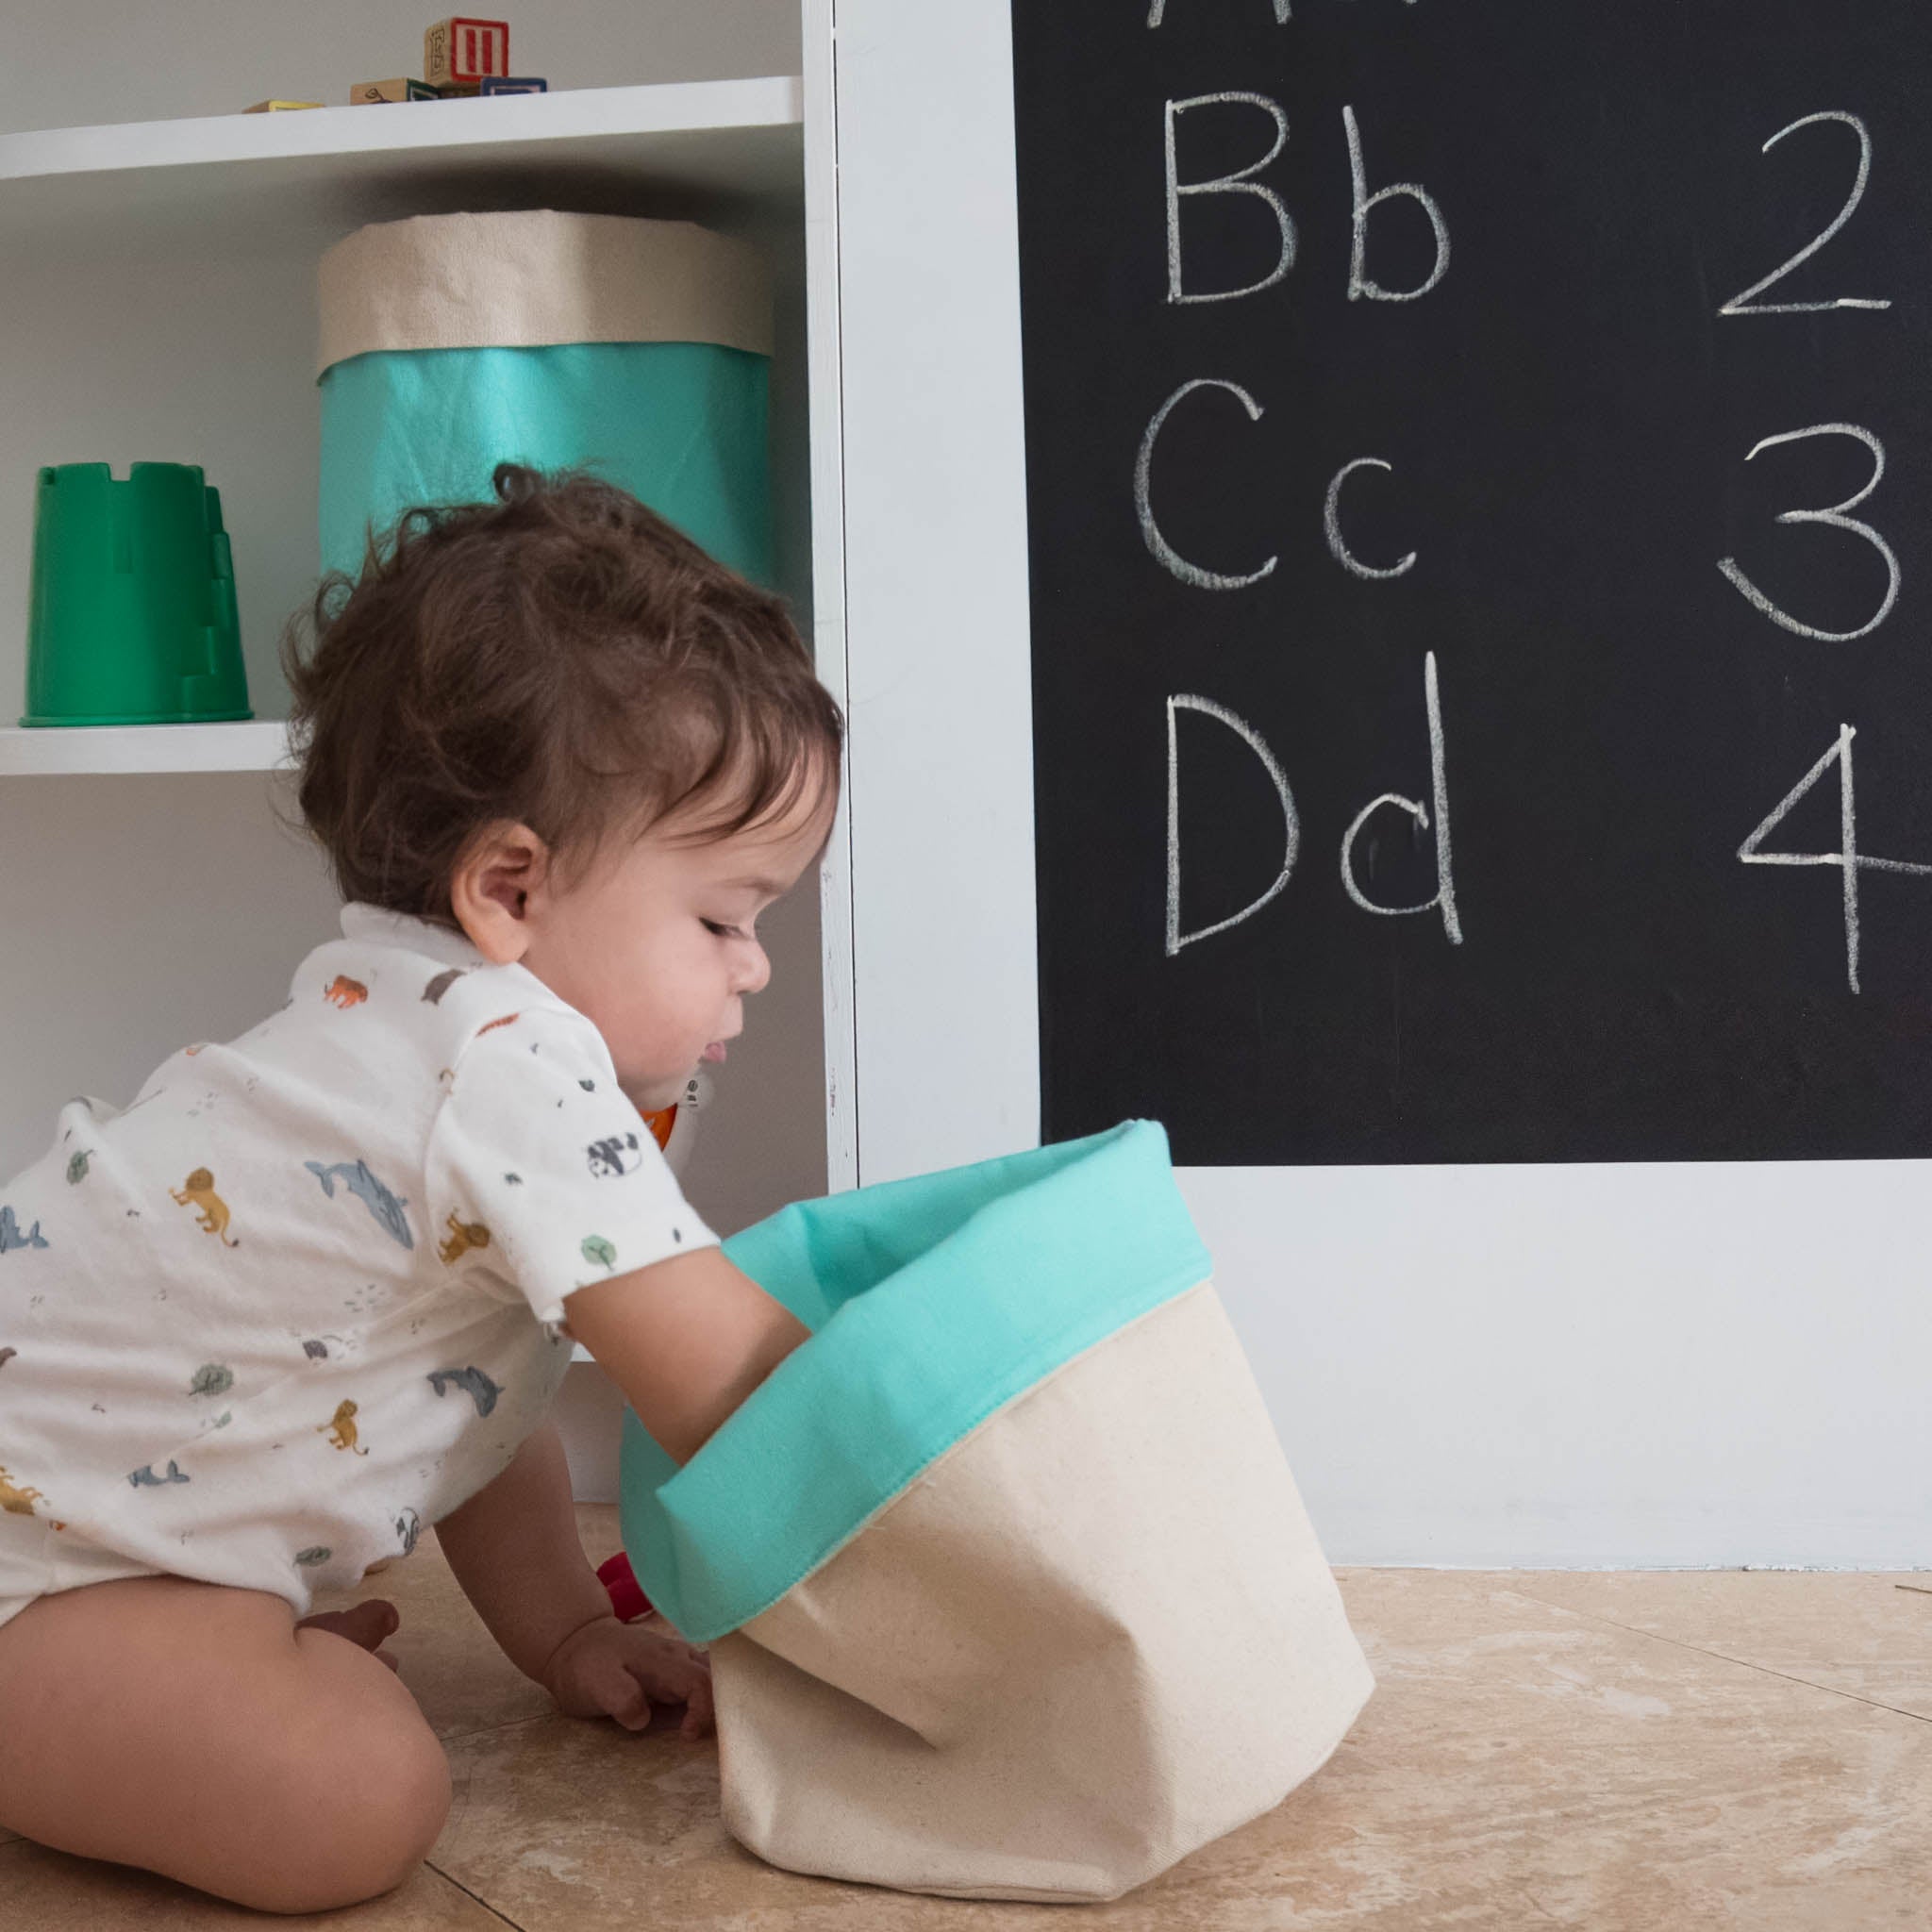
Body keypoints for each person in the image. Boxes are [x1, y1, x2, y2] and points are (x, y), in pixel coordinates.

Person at [0, 463, 843, 1912]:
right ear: (509, 891)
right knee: (356, 1797)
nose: (754, 966)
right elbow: (732, 1386)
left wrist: (569, 1631)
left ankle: (137, 1692)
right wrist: (945, 1446)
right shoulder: (509, 1060)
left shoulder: (390, 1016)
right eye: (723, 916)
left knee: (465, 1384)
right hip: (39, 1572)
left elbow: (478, 1400)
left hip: (80, 1526)